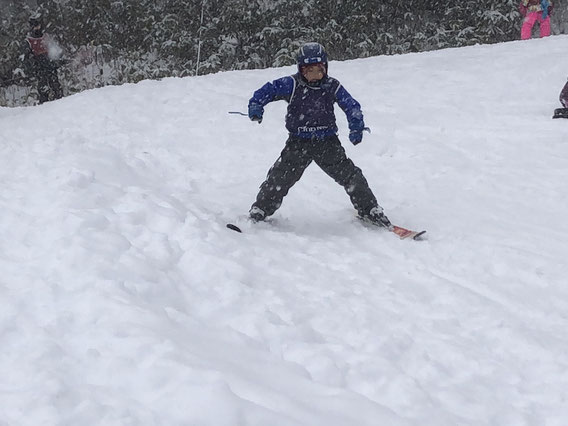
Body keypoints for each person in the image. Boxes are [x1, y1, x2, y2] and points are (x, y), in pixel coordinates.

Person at [246, 42, 391, 228]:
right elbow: (267, 91)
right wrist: (256, 105)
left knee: (352, 177)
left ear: (325, 68)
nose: (314, 76)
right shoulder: (291, 84)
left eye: (318, 70)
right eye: (309, 71)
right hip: (298, 143)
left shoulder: (332, 86)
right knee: (279, 178)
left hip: (327, 143)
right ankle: (261, 209)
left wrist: (356, 127)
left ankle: (369, 209)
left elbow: (351, 105)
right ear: (300, 70)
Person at [22, 14, 63, 104]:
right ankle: (43, 108)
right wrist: (33, 66)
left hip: (50, 66)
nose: (37, 28)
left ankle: (61, 104)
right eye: (35, 26)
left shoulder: (46, 36)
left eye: (38, 25)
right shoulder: (29, 41)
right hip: (40, 68)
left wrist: (58, 59)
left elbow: (55, 49)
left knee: (56, 87)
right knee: (43, 89)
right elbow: (26, 58)